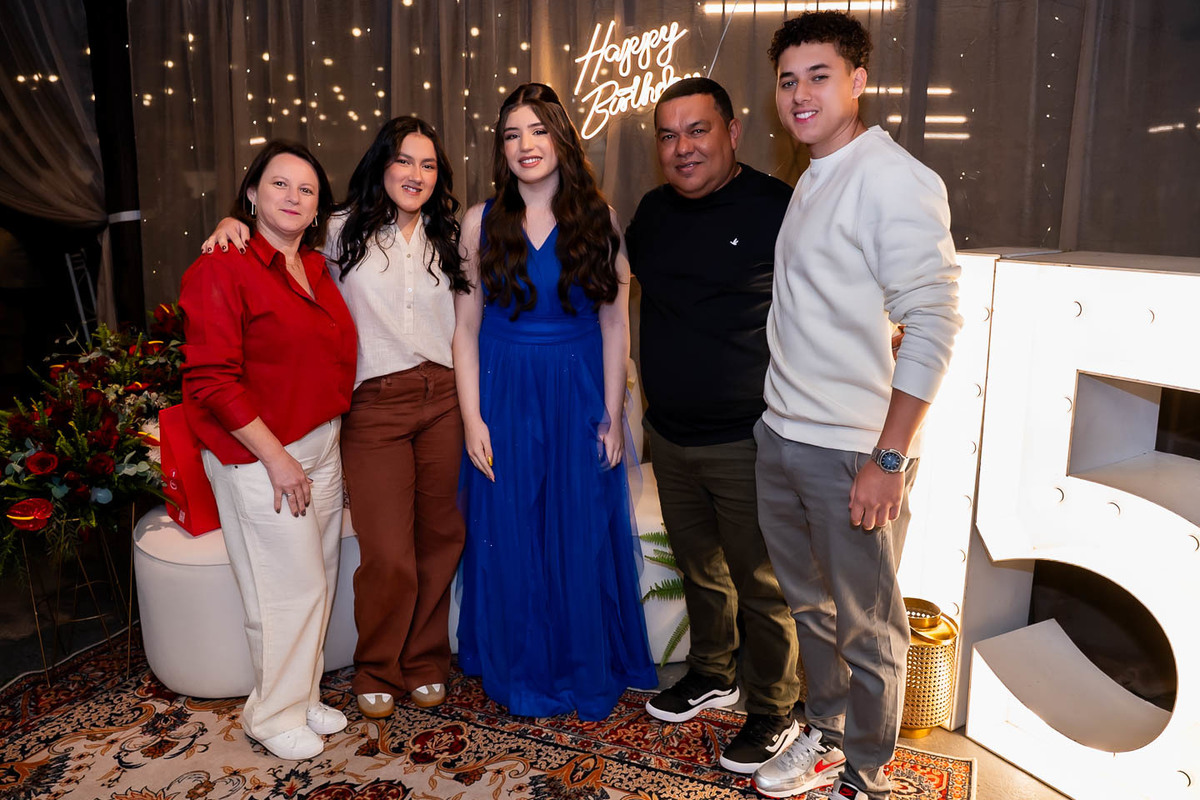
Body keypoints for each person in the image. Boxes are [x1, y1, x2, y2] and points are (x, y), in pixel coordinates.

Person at [750, 12, 962, 800]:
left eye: (819, 75)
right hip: (784, 434)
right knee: (813, 612)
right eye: (788, 79)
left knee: (869, 629)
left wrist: (889, 456)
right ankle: (829, 733)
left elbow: (934, 320)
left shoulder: (891, 177)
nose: (800, 94)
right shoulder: (816, 174)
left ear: (858, 81)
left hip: (852, 450)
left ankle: (867, 774)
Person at [200, 118, 470, 721]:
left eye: (428, 165)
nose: (415, 175)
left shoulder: (449, 236)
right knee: (388, 551)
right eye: (403, 161)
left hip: (444, 401)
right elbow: (277, 242)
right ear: (381, 166)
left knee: (441, 539)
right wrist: (231, 223)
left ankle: (426, 658)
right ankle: (378, 666)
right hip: (374, 405)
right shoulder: (340, 230)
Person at [453, 82, 658, 721]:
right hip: (504, 392)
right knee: (510, 532)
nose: (525, 145)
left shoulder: (600, 219)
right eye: (512, 135)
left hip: (577, 394)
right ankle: (521, 666)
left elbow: (615, 323)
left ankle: (576, 663)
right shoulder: (479, 222)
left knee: (578, 530)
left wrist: (613, 414)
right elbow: (464, 329)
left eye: (538, 130)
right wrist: (472, 418)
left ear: (561, 138)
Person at [624, 77, 801, 774]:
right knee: (699, 567)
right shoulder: (652, 213)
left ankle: (775, 708)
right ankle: (712, 672)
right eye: (668, 136)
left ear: (732, 131)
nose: (682, 148)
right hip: (669, 435)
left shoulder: (777, 208)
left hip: (747, 437)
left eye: (697, 130)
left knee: (762, 581)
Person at [180, 140, 356, 761]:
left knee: (319, 579)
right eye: (280, 184)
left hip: (322, 443)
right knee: (285, 587)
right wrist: (276, 457)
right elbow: (211, 380)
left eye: (306, 190)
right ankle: (271, 713)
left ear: (318, 208)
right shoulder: (221, 267)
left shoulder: (317, 265)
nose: (293, 197)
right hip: (259, 452)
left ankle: (301, 695)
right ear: (252, 193)